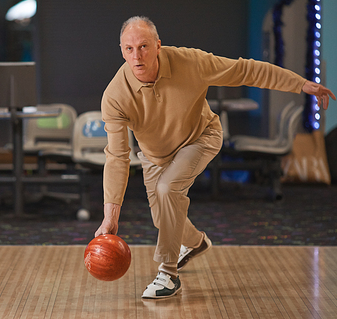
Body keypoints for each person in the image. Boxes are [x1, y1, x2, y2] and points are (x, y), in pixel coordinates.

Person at [95, 16, 335, 299]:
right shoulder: (114, 96)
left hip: (201, 137)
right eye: (129, 48)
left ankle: (168, 274)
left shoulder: (191, 62)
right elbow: (117, 157)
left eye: (144, 46)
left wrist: (300, 84)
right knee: (164, 217)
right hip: (154, 156)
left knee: (167, 190)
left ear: (158, 46)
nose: (137, 56)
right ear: (121, 50)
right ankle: (195, 243)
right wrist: (110, 218)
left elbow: (245, 70)